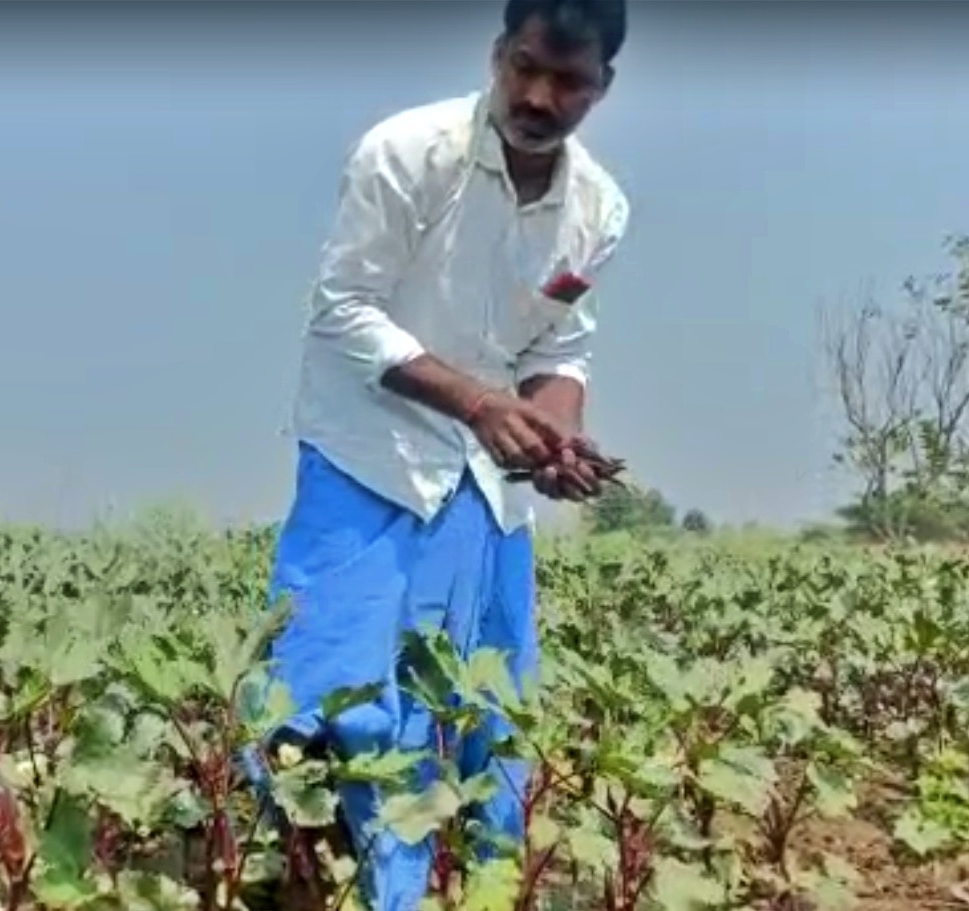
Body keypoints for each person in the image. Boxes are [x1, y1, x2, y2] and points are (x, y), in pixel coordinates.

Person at [245, 1, 630, 908]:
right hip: (366, 458)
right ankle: (300, 884)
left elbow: (556, 348)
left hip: (486, 486)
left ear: (602, 85)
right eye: (525, 67)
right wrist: (477, 402)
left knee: (478, 702)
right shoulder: (409, 153)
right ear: (499, 53)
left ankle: (448, 889)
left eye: (568, 81)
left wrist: (554, 436)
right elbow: (342, 308)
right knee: (325, 692)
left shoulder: (596, 208)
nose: (539, 95)